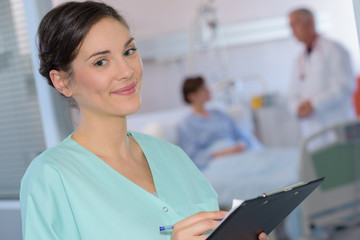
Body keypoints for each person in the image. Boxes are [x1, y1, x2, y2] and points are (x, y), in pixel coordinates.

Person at [19, 2, 269, 240]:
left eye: (129, 51)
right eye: (101, 62)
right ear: (62, 81)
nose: (127, 71)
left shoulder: (174, 157)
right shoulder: (51, 176)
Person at [288, 8, 355, 140]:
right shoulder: (298, 60)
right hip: (312, 131)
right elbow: (291, 94)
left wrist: (314, 104)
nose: (292, 31)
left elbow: (344, 86)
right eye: (291, 26)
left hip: (336, 126)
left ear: (310, 23)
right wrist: (297, 108)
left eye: (295, 24)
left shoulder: (334, 50)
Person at [177, 76, 262, 169]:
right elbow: (192, 155)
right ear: (191, 96)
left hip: (239, 154)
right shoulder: (187, 124)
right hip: (216, 163)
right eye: (203, 89)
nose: (208, 91)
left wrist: (242, 145)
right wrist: (224, 153)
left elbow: (240, 135)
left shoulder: (219, 114)